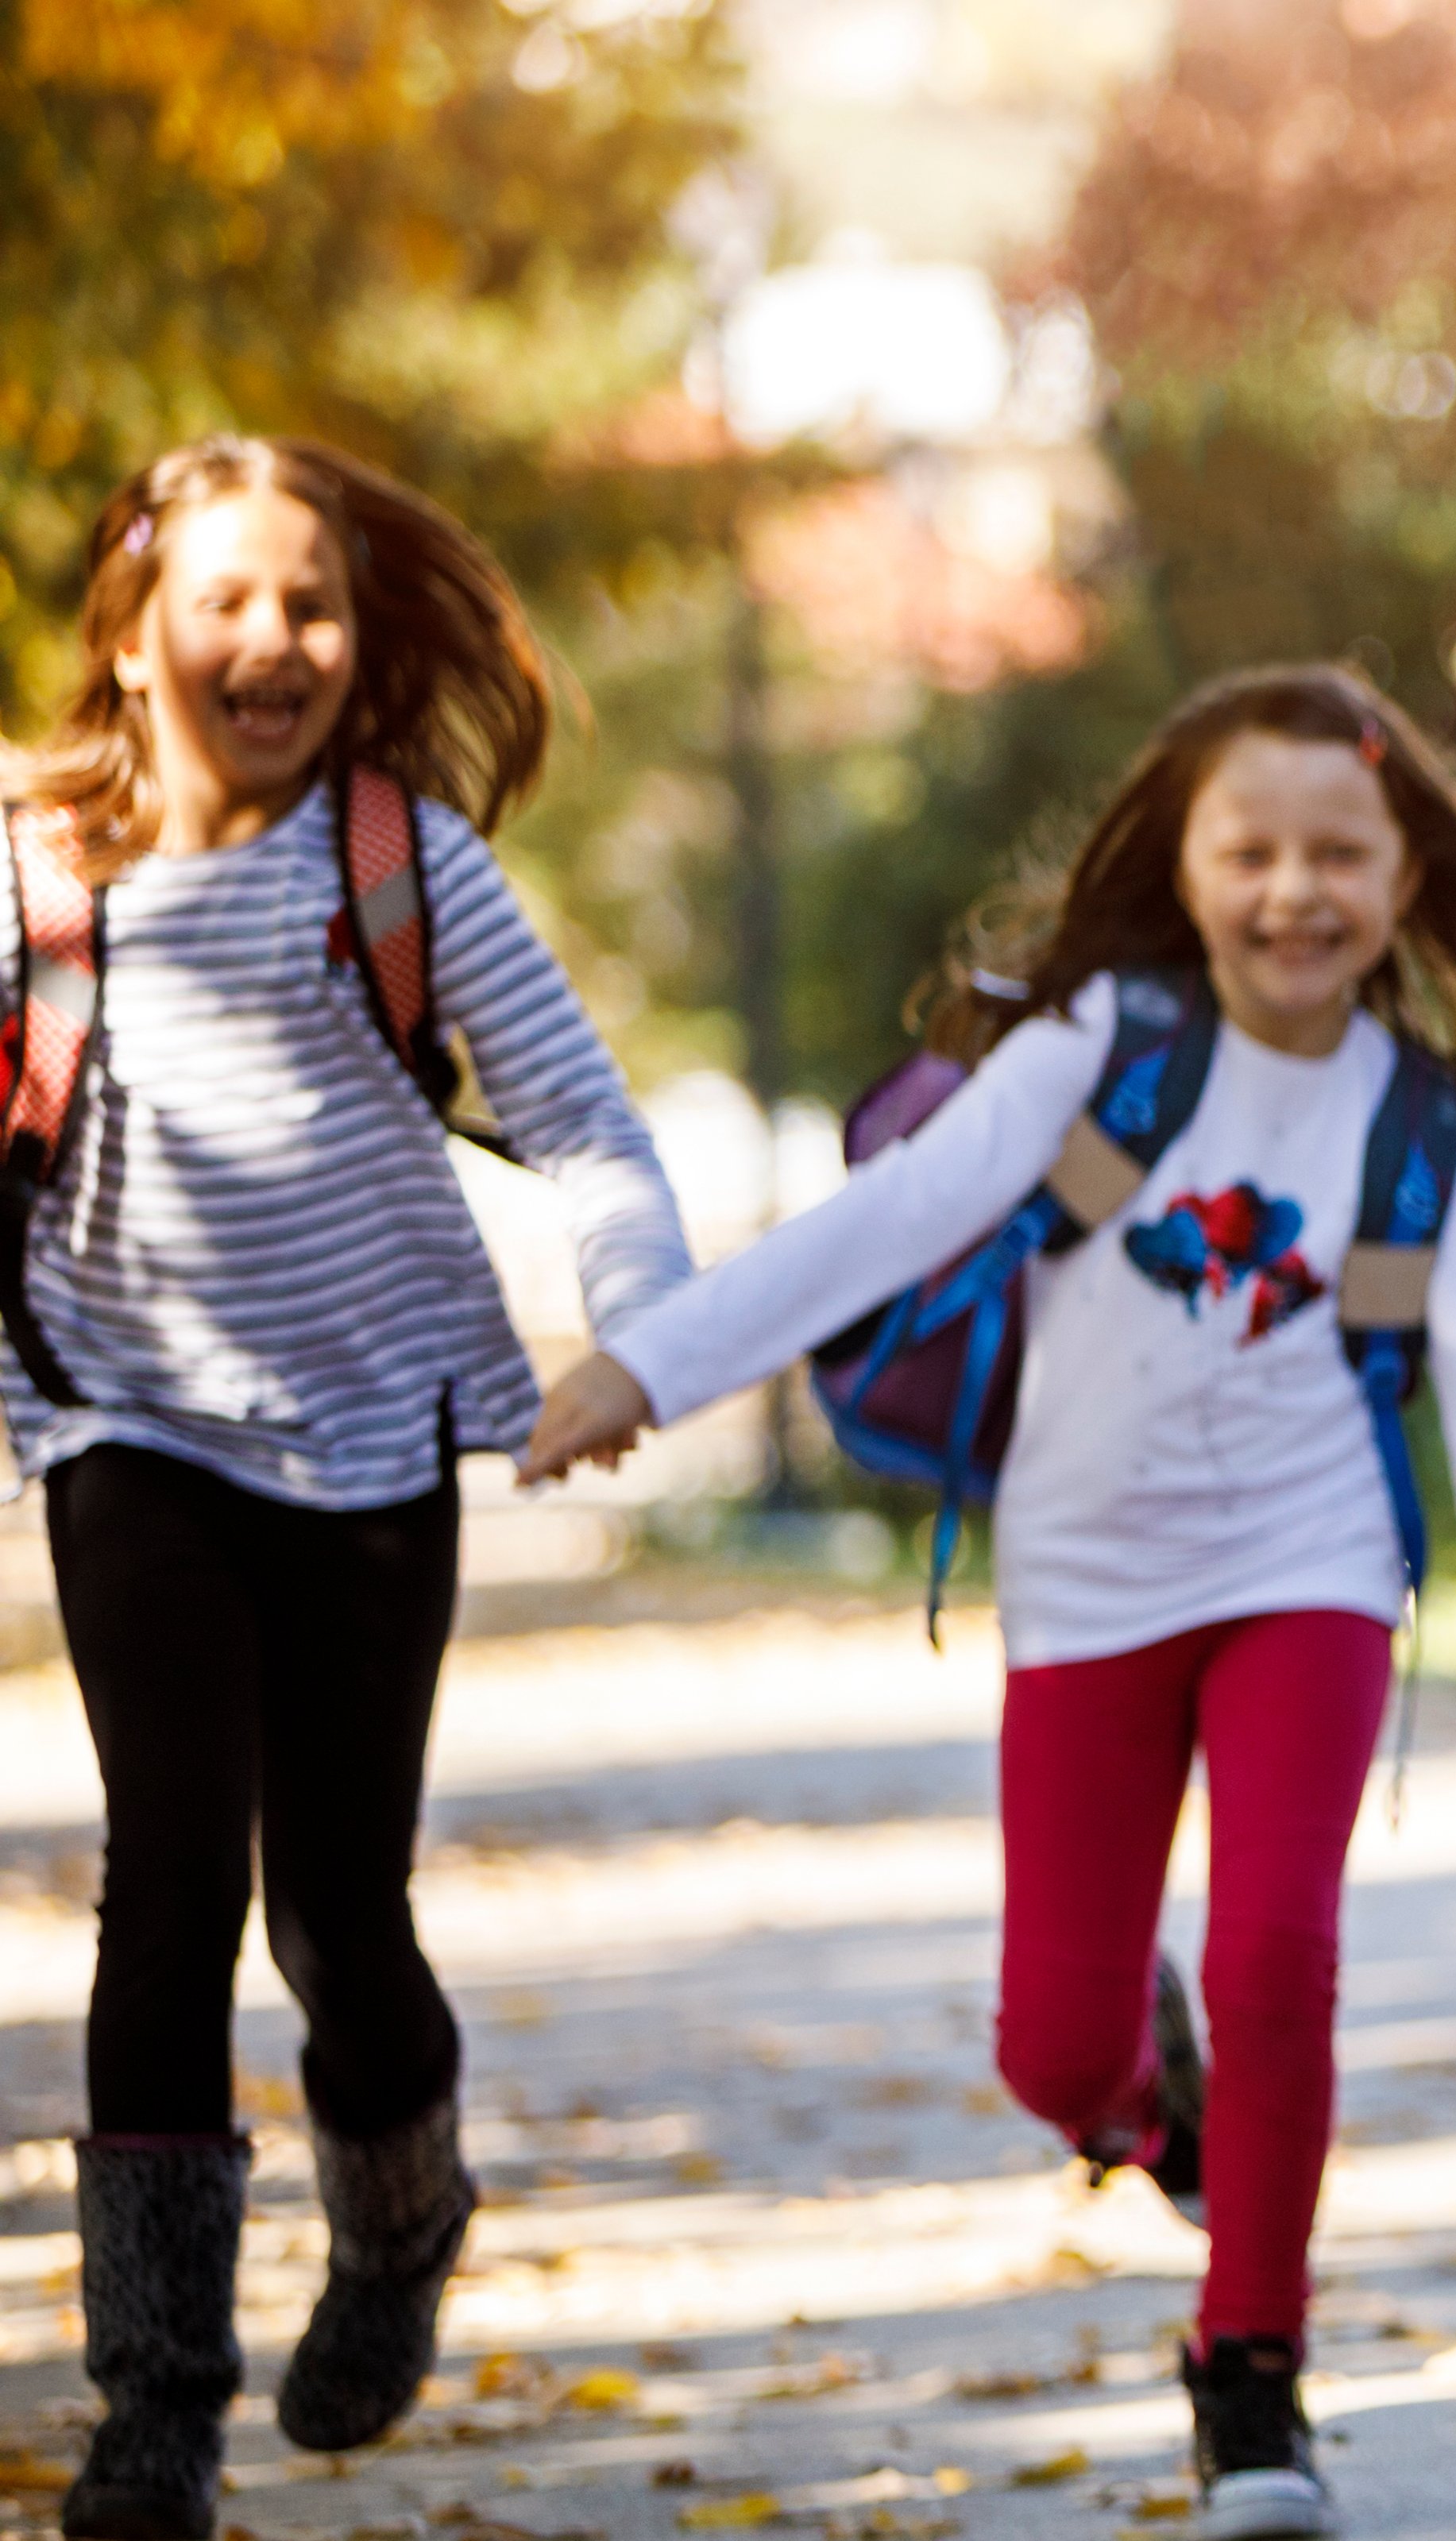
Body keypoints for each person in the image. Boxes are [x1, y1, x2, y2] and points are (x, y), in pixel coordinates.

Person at [517, 665, 1456, 2541]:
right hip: (1090, 1588)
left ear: (1407, 876)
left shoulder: (1409, 1116)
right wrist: (654, 1366)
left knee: (1280, 1961)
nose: (1294, 891)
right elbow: (888, 1221)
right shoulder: (1103, 1046)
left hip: (1309, 1577)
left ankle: (1251, 2374)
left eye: (1339, 853)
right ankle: (1154, 2115)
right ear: (1180, 868)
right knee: (1052, 2051)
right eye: (1248, 851)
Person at [1, 438, 693, 2539]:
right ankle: (155, 2412)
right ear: (131, 643)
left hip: (381, 1442)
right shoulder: (35, 871)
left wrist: (628, 1337)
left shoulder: (400, 862)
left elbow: (591, 1129)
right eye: (222, 603)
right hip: (127, 1427)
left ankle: (397, 2224)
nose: (272, 642)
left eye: (311, 603)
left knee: (339, 1911)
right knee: (168, 1885)